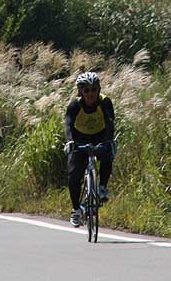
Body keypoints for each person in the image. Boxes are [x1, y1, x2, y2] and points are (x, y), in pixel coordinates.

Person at [63, 71, 115, 228]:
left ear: (99, 90)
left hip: (100, 136)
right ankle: (76, 210)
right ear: (81, 92)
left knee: (107, 154)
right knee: (74, 175)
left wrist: (108, 141)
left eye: (94, 89)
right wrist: (70, 141)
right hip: (79, 139)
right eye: (87, 90)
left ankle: (102, 187)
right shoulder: (74, 105)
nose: (91, 94)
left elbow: (110, 123)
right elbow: (68, 125)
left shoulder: (105, 102)